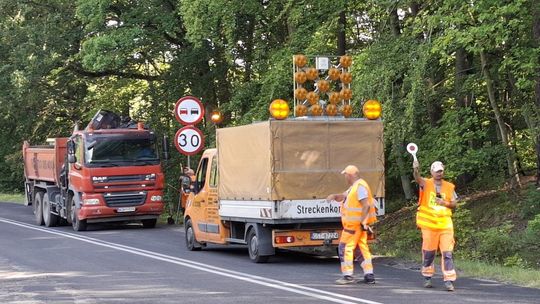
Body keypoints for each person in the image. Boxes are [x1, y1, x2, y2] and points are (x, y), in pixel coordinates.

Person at [327, 165, 377, 285]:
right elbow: (343, 196)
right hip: (357, 226)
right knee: (361, 249)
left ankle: (347, 276)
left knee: (344, 248)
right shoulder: (354, 187)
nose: (345, 177)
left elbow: (366, 205)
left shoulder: (360, 187)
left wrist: (363, 222)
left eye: (345, 175)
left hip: (353, 226)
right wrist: (334, 196)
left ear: (350, 175)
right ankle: (369, 275)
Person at [413, 160, 458, 292]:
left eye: (441, 171)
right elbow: (417, 178)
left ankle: (449, 280)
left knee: (447, 253)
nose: (439, 173)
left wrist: (444, 202)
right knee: (429, 252)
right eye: (436, 171)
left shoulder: (449, 187)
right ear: (432, 172)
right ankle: (427, 277)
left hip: (445, 225)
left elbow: (454, 203)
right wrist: (416, 169)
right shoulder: (426, 183)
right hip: (429, 225)